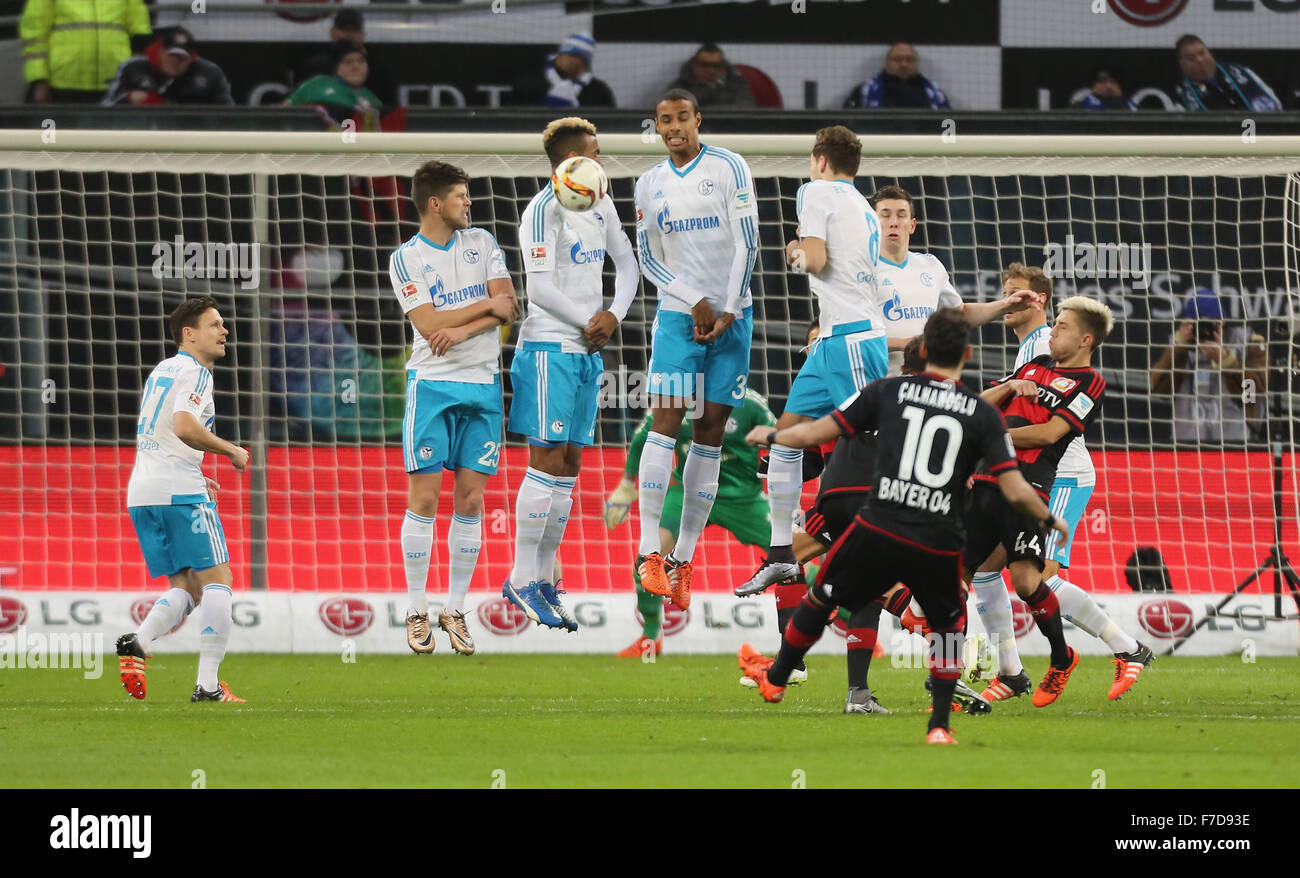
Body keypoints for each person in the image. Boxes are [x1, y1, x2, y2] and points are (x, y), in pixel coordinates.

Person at [740, 308, 1066, 745]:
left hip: (880, 526)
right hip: (939, 537)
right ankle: (938, 727)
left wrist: (773, 436)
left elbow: (819, 428)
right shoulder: (982, 413)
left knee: (821, 598)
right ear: (967, 354)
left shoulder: (886, 391)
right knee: (948, 626)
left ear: (924, 349)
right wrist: (1048, 518)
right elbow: (1013, 485)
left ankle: (778, 678)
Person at [966, 270, 1153, 703]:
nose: (1008, 301)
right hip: (999, 478)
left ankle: (1124, 648)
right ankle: (1009, 669)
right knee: (987, 571)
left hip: (1057, 476)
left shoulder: (1084, 378)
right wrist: (1007, 393)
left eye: (1015, 294)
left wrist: (996, 436)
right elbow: (987, 402)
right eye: (1004, 294)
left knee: (1036, 577)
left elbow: (1051, 433)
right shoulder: (1033, 359)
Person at [737, 127, 888, 596]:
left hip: (854, 342)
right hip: (830, 341)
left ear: (820, 160)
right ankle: (783, 554)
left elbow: (816, 260)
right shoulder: (862, 205)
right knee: (784, 439)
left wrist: (792, 254)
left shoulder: (816, 191)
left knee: (874, 446)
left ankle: (906, 538)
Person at [503, 117, 638, 630]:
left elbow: (627, 267)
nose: (600, 162)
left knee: (571, 461)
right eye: (592, 154)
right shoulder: (541, 211)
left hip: (586, 351)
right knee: (545, 458)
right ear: (568, 163)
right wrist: (590, 321)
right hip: (547, 349)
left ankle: (542, 579)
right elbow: (536, 289)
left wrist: (613, 316)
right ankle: (519, 576)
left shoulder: (601, 203)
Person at [632, 88, 760, 610]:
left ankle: (683, 559)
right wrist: (694, 300)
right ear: (658, 127)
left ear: (697, 120)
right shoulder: (649, 184)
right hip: (676, 319)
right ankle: (648, 554)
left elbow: (748, 241)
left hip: (735, 316)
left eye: (682, 118)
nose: (674, 127)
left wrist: (727, 308)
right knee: (665, 422)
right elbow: (648, 257)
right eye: (665, 120)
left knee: (710, 433)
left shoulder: (730, 166)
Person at [390, 161, 520, 656]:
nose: (470, 203)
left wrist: (462, 328)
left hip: (484, 383)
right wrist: (478, 312)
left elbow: (509, 304)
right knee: (424, 499)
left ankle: (456, 609)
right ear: (435, 204)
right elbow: (428, 325)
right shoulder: (406, 258)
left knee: (470, 501)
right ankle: (417, 608)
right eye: (461, 196)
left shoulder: (483, 242)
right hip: (433, 384)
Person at [117, 297, 250, 703]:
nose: (224, 331)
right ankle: (208, 686)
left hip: (143, 492)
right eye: (215, 325)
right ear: (188, 334)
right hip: (178, 491)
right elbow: (183, 425)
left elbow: (163, 434)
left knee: (188, 589)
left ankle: (138, 641)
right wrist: (229, 451)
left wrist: (197, 471)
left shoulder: (163, 369)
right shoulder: (196, 371)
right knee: (218, 582)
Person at [607, 389, 779, 659]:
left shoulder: (751, 403)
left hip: (742, 497)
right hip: (685, 492)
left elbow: (780, 440)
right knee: (649, 557)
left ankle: (852, 623)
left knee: (794, 554)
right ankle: (651, 636)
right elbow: (643, 438)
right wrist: (627, 484)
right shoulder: (677, 397)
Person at [1149, 288, 1267, 444]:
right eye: (1200, 326)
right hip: (1187, 445)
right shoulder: (1180, 347)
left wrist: (1227, 361)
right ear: (1189, 325)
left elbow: (1253, 396)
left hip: (1236, 443)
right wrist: (1178, 349)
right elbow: (1160, 392)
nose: (1207, 331)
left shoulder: (1248, 342)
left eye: (1212, 324)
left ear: (1223, 321)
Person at [21, 0, 150, 104]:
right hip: (64, 83)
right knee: (64, 136)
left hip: (115, 83)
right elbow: (35, 34)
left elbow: (139, 31)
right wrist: (39, 80)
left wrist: (139, 77)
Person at [295, 8, 398, 110]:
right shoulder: (314, 66)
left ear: (362, 34)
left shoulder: (379, 69)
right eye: (344, 29)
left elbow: (391, 109)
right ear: (332, 32)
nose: (349, 35)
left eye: (355, 30)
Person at [102, 28, 234, 106]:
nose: (176, 61)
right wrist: (129, 98)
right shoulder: (133, 67)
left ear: (191, 58)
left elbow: (227, 114)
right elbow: (106, 106)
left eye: (182, 57)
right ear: (160, 52)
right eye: (172, 55)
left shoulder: (209, 73)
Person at [287, 40, 383, 129]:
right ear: (335, 67)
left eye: (361, 61)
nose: (356, 66)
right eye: (348, 62)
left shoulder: (369, 96)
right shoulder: (317, 85)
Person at [1174, 34, 1281, 113]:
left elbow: (1275, 105)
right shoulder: (1182, 96)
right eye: (1191, 58)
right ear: (1182, 64)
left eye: (1202, 53)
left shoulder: (1240, 72)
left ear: (1209, 53)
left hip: (1259, 134)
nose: (1199, 60)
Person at [509, 33, 615, 109]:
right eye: (570, 55)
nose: (575, 62)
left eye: (581, 58)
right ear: (559, 55)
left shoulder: (599, 91)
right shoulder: (529, 83)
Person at [844, 42, 949, 110]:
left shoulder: (935, 93)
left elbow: (949, 122)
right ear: (886, 63)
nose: (904, 64)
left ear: (917, 63)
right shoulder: (864, 91)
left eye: (909, 59)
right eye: (897, 59)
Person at [667, 43, 755, 109]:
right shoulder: (680, 87)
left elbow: (746, 107)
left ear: (723, 67)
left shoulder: (737, 84)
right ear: (694, 66)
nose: (710, 71)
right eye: (704, 65)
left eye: (716, 66)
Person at [1071, 68, 1137, 111]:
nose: (1108, 86)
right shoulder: (1081, 105)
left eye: (1113, 82)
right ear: (1094, 86)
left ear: (1119, 86)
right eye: (1102, 82)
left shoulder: (1129, 104)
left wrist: (1119, 99)